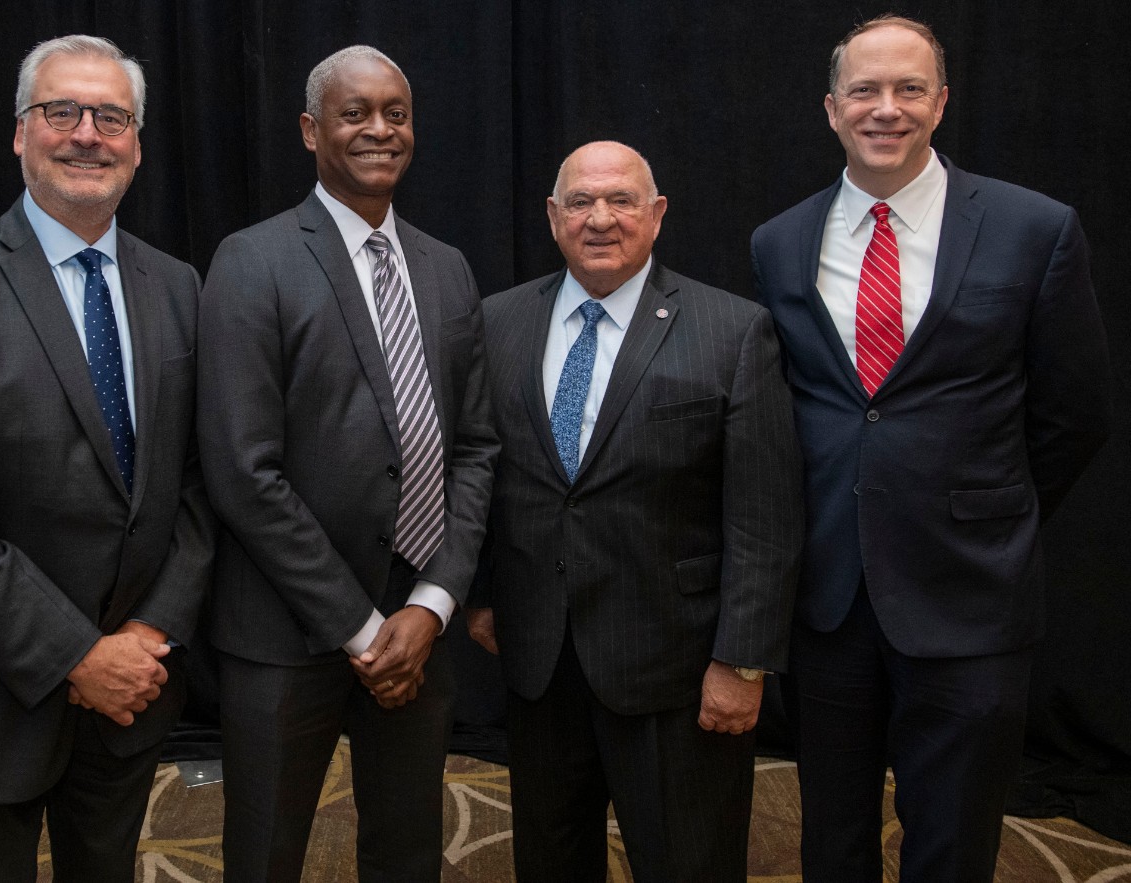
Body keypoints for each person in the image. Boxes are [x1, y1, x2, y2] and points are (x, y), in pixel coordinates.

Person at [750, 15, 1113, 882]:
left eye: (909, 89)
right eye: (865, 91)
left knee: (951, 844)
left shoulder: (1037, 229)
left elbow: (1075, 413)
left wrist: (990, 511)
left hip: (970, 593)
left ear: (941, 102)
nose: (887, 109)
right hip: (831, 595)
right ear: (831, 109)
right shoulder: (779, 242)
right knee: (832, 838)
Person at [0, 35, 213, 883]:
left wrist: (145, 635)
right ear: (21, 133)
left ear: (137, 142)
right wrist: (77, 657)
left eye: (111, 116)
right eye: (62, 111)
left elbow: (204, 488)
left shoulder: (180, 286)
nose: (87, 133)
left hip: (133, 688)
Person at [197, 45, 497, 883]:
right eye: (354, 112)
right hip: (285, 631)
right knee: (266, 855)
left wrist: (431, 605)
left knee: (408, 850)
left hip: (418, 623)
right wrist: (365, 631)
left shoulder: (446, 267)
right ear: (309, 129)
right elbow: (241, 471)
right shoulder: (251, 260)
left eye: (394, 113)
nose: (378, 129)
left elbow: (475, 446)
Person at [466, 140, 803, 882]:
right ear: (554, 218)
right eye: (581, 201)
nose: (600, 218)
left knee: (688, 862)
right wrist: (484, 592)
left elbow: (763, 515)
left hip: (675, 669)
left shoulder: (732, 330)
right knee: (550, 858)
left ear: (656, 216)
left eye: (621, 200)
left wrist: (742, 661)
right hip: (540, 660)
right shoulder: (497, 322)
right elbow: (485, 473)